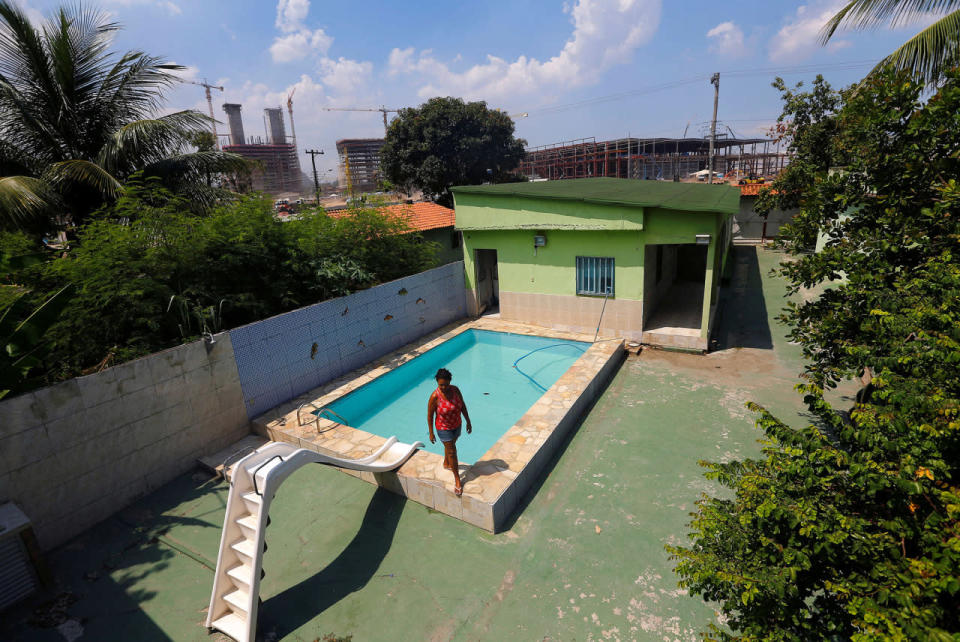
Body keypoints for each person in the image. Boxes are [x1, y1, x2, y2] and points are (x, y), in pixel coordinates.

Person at [427, 368, 472, 496]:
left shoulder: (455, 390)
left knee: (451, 444)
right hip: (443, 428)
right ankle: (457, 479)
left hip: (457, 425)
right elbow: (430, 416)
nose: (444, 387)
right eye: (441, 384)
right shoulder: (435, 397)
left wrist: (468, 421)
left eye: (446, 384)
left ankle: (446, 462)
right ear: (437, 382)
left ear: (450, 382)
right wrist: (431, 432)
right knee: (452, 451)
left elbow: (462, 405)